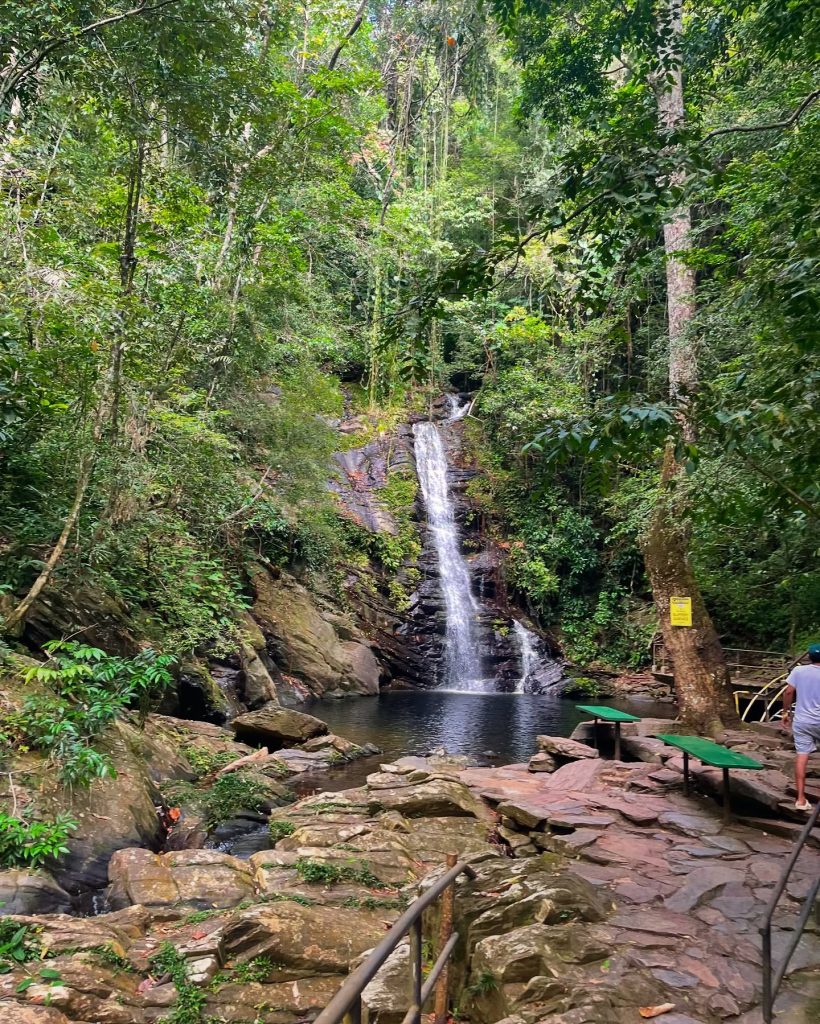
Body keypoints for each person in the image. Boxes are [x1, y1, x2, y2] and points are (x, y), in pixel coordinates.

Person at [782, 642, 820, 811]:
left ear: (809, 657)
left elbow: (788, 692)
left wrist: (785, 712)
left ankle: (800, 799)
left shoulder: (798, 671)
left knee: (802, 756)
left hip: (803, 721)